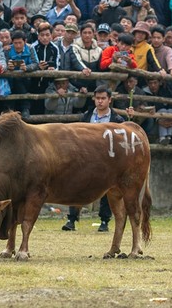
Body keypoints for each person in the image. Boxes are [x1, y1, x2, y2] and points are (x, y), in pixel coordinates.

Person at [62, 85, 133, 233]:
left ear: (109, 100)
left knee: (108, 190)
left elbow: (124, 136)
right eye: (97, 98)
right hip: (85, 159)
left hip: (108, 160)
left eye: (103, 98)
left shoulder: (117, 119)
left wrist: (131, 118)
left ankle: (104, 221)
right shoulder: (87, 116)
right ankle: (71, 219)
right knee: (76, 185)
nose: (100, 101)